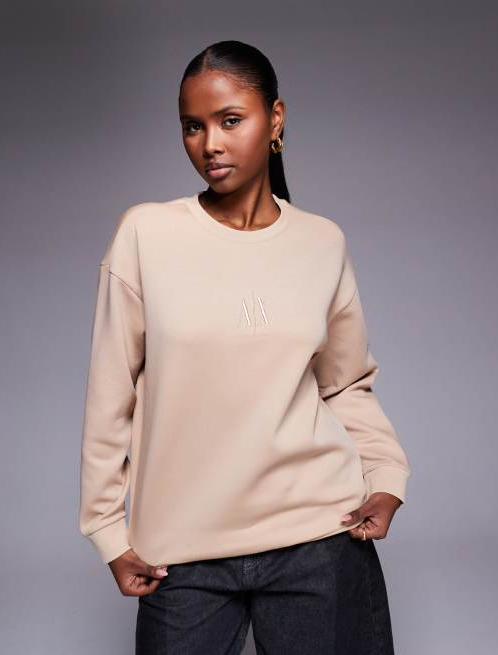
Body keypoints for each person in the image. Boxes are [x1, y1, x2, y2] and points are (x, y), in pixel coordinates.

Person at [79, 39, 411, 654]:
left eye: (230, 120)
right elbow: (109, 395)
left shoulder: (321, 242)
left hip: (320, 538)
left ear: (275, 119)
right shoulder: (146, 234)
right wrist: (107, 531)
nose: (210, 143)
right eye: (193, 126)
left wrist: (386, 476)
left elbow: (344, 384)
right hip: (183, 556)